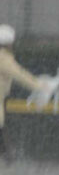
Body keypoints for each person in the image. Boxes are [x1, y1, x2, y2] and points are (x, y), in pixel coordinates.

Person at [0, 24, 50, 163]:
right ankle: (8, 155)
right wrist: (39, 86)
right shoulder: (3, 58)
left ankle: (7, 154)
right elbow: (20, 75)